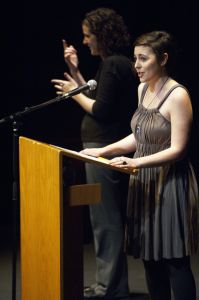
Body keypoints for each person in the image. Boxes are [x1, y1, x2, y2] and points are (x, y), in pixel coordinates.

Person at [80, 31, 199, 300]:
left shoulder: (178, 96)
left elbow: (178, 150)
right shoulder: (142, 89)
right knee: (150, 258)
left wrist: (135, 161)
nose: (136, 65)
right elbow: (139, 134)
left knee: (173, 260)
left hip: (169, 183)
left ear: (163, 59)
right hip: (143, 182)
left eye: (143, 59)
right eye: (135, 58)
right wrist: (104, 150)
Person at [51, 7, 137, 299]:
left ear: (101, 34)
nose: (85, 41)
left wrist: (73, 94)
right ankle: (110, 285)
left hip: (104, 150)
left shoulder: (114, 64)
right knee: (104, 220)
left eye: (88, 36)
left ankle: (109, 288)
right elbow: (95, 95)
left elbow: (99, 109)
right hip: (100, 150)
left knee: (107, 221)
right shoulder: (110, 64)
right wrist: (75, 73)